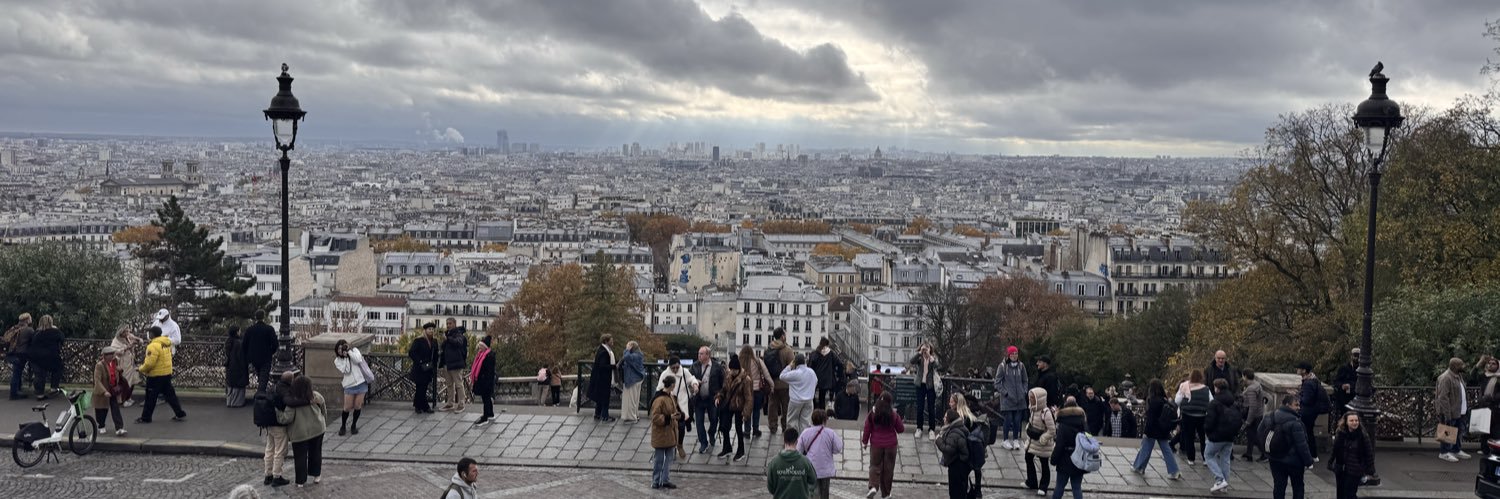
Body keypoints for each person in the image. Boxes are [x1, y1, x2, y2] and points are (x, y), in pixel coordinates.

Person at [1261, 395, 1314, 499]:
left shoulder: (1269, 416)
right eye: (1296, 405)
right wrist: (1308, 461)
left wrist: (1265, 451)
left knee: (1279, 486)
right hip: (1294, 461)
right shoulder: (1296, 422)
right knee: (1298, 486)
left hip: (1275, 459)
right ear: (1287, 405)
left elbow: (1260, 433)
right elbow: (1302, 445)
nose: (1299, 407)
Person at [279, 374, 326, 488]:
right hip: (318, 429)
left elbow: (286, 418)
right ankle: (316, 475)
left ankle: (300, 480)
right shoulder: (316, 396)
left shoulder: (293, 403)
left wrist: (277, 412)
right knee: (316, 453)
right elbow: (323, 409)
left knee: (300, 457)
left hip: (300, 433)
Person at [1131, 379, 1182, 480]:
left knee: (1145, 448)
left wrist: (1146, 432)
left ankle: (1139, 466)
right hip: (1163, 429)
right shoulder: (1164, 400)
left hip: (1153, 429)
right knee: (1166, 450)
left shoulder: (1153, 401)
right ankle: (1174, 470)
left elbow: (1151, 419)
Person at [135, 326, 186, 423]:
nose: (148, 335)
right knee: (170, 395)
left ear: (153, 334)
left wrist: (140, 369)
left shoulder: (153, 346)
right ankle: (179, 413)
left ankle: (146, 418)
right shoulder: (166, 343)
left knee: (150, 397)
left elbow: (150, 363)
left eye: (149, 333)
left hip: (155, 375)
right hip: (166, 373)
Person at [861, 392, 904, 499]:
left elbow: (867, 428)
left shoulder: (873, 413)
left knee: (875, 465)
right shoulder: (893, 414)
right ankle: (886, 493)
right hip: (891, 445)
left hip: (876, 444)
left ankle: (873, 487)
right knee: (888, 469)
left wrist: (865, 441)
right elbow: (900, 429)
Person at [1204, 378, 1243, 493]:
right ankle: (1224, 485)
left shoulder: (1214, 403)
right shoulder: (1233, 402)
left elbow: (1210, 421)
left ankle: (1220, 480)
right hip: (1230, 436)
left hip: (1217, 436)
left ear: (1217, 388)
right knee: (1225, 459)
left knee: (1208, 455)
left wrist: (1207, 431)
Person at [798, 410, 844, 499]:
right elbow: (838, 448)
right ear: (824, 420)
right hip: (826, 469)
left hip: (811, 468)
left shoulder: (805, 432)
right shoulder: (830, 433)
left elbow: (798, 450)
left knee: (813, 493)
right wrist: (830, 450)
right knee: (824, 494)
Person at [657, 355, 697, 458]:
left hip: (682, 403)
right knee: (670, 426)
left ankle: (680, 445)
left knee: (681, 426)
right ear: (669, 367)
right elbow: (659, 389)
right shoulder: (665, 374)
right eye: (673, 367)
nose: (675, 369)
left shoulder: (684, 372)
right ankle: (672, 446)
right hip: (670, 403)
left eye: (677, 367)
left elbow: (691, 379)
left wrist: (695, 384)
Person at [1328, 412, 1375, 499]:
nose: (1354, 422)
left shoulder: (1363, 436)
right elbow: (1335, 449)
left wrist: (1370, 471)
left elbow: (1369, 454)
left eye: (1356, 420)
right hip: (1341, 468)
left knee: (1350, 494)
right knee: (1341, 493)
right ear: (1346, 422)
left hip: (1355, 470)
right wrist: (1330, 462)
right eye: (1351, 420)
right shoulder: (1340, 433)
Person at [258, 372, 293, 487]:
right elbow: (290, 403)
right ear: (290, 380)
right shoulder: (286, 391)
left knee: (269, 449)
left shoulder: (274, 387)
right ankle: (277, 476)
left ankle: (268, 475)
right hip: (279, 425)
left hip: (269, 424)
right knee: (280, 451)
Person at [717, 353, 753, 461]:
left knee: (738, 429)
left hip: (739, 406)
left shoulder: (746, 379)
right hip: (728, 404)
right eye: (731, 369)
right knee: (725, 427)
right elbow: (724, 389)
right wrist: (719, 397)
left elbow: (749, 398)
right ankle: (726, 448)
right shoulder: (728, 376)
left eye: (734, 370)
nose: (732, 372)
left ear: (738, 369)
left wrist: (745, 413)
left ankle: (740, 451)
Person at [650, 375, 683, 490]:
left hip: (670, 433)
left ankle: (665, 480)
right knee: (659, 460)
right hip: (661, 434)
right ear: (672, 385)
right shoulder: (660, 399)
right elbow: (655, 417)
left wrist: (677, 416)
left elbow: (674, 411)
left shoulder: (671, 396)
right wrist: (670, 417)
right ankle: (656, 481)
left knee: (668, 460)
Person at [1050, 397, 1087, 499]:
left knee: (1060, 486)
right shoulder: (1082, 422)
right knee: (1077, 487)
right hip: (1079, 457)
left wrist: (1053, 459)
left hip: (1064, 459)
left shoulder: (1063, 424)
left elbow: (1059, 445)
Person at [1435, 357, 1471, 462]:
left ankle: (1456, 450)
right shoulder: (1446, 378)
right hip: (1450, 411)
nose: (1463, 367)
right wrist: (1447, 413)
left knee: (1459, 431)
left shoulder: (1459, 376)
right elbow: (1443, 397)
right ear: (1455, 366)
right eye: (1461, 365)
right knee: (1447, 430)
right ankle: (1444, 452)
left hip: (1460, 410)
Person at [950, 393, 986, 495]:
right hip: (975, 446)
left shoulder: (960, 417)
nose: (949, 404)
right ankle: (977, 489)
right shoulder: (969, 415)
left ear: (957, 403)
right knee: (976, 468)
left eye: (951, 402)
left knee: (965, 471)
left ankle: (966, 490)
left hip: (967, 447)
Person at [994, 345, 1029, 451]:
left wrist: (1024, 391)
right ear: (1009, 355)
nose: (1014, 356)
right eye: (1012, 354)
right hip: (1007, 398)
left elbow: (1025, 380)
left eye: (1016, 354)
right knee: (1008, 419)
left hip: (1019, 398)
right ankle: (1005, 440)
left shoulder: (1021, 366)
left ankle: (1015, 439)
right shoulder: (1003, 366)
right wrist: (1005, 393)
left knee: (1017, 420)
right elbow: (997, 382)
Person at [690, 345, 723, 453]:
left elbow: (723, 383)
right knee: (699, 422)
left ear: (708, 355)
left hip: (712, 398)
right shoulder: (694, 366)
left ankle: (711, 433)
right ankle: (703, 443)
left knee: (714, 419)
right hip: (699, 399)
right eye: (699, 353)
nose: (699, 355)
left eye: (701, 353)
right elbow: (689, 378)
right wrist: (694, 383)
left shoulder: (717, 367)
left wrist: (720, 394)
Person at [1173, 369, 1210, 465]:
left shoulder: (1184, 386)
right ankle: (1205, 458)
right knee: (1203, 438)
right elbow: (1211, 401)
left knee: (1189, 437)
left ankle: (1191, 458)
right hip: (1202, 416)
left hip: (1188, 415)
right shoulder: (1206, 388)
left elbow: (1177, 401)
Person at [1024, 387, 1057, 496]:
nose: (1031, 400)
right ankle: (1031, 481)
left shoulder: (1046, 412)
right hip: (1033, 440)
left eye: (1033, 398)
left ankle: (1043, 486)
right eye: (1030, 397)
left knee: (1044, 463)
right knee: (1028, 458)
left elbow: (1052, 430)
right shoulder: (1033, 409)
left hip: (1043, 443)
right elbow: (1031, 421)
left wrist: (1044, 438)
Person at [333, 339, 370, 435]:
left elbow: (358, 360)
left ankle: (354, 425)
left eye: (343, 347)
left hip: (361, 382)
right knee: (347, 407)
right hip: (349, 385)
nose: (341, 350)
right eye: (339, 349)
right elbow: (346, 370)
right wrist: (345, 358)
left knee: (358, 406)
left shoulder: (354, 351)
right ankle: (343, 425)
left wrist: (349, 352)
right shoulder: (337, 360)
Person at [769, 427, 818, 499]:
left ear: (784, 440)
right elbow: (813, 480)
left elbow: (770, 486)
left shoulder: (774, 462)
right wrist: (806, 492)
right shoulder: (805, 461)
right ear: (797, 441)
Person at [1296, 361, 1331, 462]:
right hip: (1312, 411)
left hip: (1308, 412)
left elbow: (1307, 399)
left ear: (1304, 371)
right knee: (1308, 432)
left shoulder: (1308, 383)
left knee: (1307, 433)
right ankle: (1313, 454)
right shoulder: (1313, 380)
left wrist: (1298, 396)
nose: (1297, 370)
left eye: (1299, 368)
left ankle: (1311, 454)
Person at [91, 346, 127, 436]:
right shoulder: (99, 365)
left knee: (115, 409)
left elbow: (117, 373)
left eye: (113, 354)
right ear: (105, 356)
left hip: (113, 389)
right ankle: (101, 425)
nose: (112, 356)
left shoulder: (115, 362)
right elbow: (97, 380)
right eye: (110, 354)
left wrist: (120, 370)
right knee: (102, 410)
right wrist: (104, 391)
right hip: (103, 390)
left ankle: (119, 428)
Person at [937, 409, 972, 499]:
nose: (943, 419)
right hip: (961, 464)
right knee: (960, 491)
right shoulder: (959, 428)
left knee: (955, 492)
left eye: (945, 417)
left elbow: (948, 449)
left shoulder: (954, 433)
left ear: (949, 419)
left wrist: (938, 440)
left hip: (957, 465)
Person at [767, 327, 796, 435]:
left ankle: (773, 426)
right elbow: (793, 366)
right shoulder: (787, 350)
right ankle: (785, 427)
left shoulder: (769, 348)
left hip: (772, 383)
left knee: (772, 406)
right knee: (786, 407)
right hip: (785, 384)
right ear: (782, 336)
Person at [910, 343, 942, 439]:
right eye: (924, 348)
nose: (925, 351)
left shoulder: (933, 359)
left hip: (930, 386)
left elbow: (937, 366)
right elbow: (912, 361)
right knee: (920, 408)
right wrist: (919, 353)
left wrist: (930, 357)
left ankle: (931, 430)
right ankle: (919, 428)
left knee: (931, 408)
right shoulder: (919, 358)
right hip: (920, 385)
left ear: (930, 349)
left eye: (927, 348)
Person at [243, 310, 279, 394]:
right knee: (264, 376)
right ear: (264, 317)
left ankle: (260, 392)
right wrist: (271, 352)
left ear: (255, 317)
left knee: (260, 375)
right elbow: (275, 344)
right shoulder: (269, 329)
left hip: (253, 358)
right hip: (265, 356)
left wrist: (248, 355)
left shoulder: (250, 330)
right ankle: (260, 394)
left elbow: (244, 344)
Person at [29, 315, 63, 400]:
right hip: (50, 357)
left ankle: (39, 394)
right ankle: (54, 388)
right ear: (51, 322)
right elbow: (62, 338)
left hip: (35, 357)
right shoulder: (55, 332)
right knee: (58, 368)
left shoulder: (36, 333)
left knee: (39, 375)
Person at [782, 352, 818, 432]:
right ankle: (804, 439)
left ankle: (793, 440)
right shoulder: (811, 372)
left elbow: (782, 376)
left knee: (792, 422)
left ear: (795, 362)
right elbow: (816, 381)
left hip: (796, 400)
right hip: (809, 400)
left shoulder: (795, 373)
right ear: (805, 361)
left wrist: (790, 366)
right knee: (805, 422)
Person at [408, 323, 440, 414]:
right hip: (419, 368)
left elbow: (435, 354)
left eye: (432, 329)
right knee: (420, 388)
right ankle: (424, 406)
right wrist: (420, 361)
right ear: (425, 330)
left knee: (423, 388)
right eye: (429, 329)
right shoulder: (419, 340)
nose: (431, 331)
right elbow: (412, 352)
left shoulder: (434, 341)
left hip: (428, 368)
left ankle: (418, 405)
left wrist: (434, 365)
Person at [743, 344, 773, 438]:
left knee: (747, 411)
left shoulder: (741, 361)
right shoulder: (757, 361)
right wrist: (772, 385)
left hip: (746, 391)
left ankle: (747, 431)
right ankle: (755, 430)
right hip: (757, 390)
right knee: (756, 411)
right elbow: (766, 374)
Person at [439, 318, 468, 413]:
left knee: (459, 384)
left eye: (450, 323)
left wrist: (447, 339)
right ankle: (450, 403)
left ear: (454, 324)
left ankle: (461, 404)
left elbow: (458, 343)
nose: (448, 325)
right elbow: (444, 347)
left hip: (456, 363)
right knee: (449, 385)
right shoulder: (447, 334)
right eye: (447, 323)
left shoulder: (458, 333)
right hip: (447, 363)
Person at [1240, 369, 1269, 461]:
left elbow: (1252, 406)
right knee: (1250, 435)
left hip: (1253, 416)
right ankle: (1249, 453)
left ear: (1245, 376)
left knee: (1255, 436)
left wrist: (1248, 421)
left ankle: (1264, 455)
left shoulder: (1251, 389)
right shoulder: (1256, 384)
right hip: (1258, 414)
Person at [109, 327, 143, 407]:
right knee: (125, 382)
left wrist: (137, 340)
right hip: (123, 364)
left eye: (128, 331)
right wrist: (127, 347)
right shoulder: (116, 341)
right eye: (125, 332)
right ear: (121, 332)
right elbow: (115, 352)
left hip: (130, 363)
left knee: (132, 381)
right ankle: (123, 400)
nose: (127, 333)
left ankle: (128, 397)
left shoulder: (128, 336)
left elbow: (139, 340)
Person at [6, 313, 35, 400]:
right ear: (27, 320)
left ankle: (17, 390)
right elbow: (34, 340)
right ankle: (14, 393)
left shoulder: (14, 328)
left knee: (16, 372)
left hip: (11, 353)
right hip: (21, 354)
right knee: (17, 373)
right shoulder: (29, 330)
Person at [590, 334, 617, 423]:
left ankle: (597, 414)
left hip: (599, 378)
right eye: (611, 340)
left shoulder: (601, 349)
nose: (612, 342)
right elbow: (603, 366)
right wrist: (613, 366)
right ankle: (605, 416)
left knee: (600, 397)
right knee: (605, 397)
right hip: (603, 378)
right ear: (606, 341)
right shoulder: (604, 352)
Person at [469, 337, 496, 426]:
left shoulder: (488, 356)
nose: (479, 347)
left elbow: (489, 371)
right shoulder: (482, 354)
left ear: (485, 347)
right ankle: (490, 414)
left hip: (486, 381)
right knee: (487, 398)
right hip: (483, 380)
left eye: (481, 346)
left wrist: (486, 381)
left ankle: (485, 417)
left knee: (486, 399)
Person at [808, 338, 841, 411]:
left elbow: (810, 365)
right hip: (826, 379)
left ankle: (815, 410)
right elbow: (839, 363)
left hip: (816, 378)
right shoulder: (831, 354)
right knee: (822, 397)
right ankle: (821, 413)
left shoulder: (815, 353)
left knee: (811, 395)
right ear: (827, 345)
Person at [620, 340, 646, 423]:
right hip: (637, 378)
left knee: (630, 400)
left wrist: (627, 349)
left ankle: (630, 417)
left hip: (632, 379)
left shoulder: (634, 356)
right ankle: (635, 414)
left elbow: (626, 357)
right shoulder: (639, 355)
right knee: (635, 399)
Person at [1332, 348, 1360, 421]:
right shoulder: (1344, 368)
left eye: (1358, 356)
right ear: (1351, 356)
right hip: (1344, 399)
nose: (1356, 358)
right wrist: (1342, 386)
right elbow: (1336, 381)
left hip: (1356, 398)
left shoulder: (1361, 370)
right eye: (1355, 356)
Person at [1478, 357, 1500, 447]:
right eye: (1489, 363)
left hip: (1496, 407)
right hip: (1484, 406)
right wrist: (1479, 363)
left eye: (1493, 363)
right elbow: (1473, 377)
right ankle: (1484, 448)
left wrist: (1492, 398)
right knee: (1484, 428)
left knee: (1495, 429)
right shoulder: (1485, 376)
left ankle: (1494, 449)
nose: (1490, 365)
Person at [225, 326, 249, 408]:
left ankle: (230, 402)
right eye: (239, 331)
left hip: (230, 366)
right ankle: (237, 403)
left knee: (231, 385)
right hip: (238, 367)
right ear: (236, 332)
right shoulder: (239, 343)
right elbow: (242, 357)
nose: (240, 332)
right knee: (238, 386)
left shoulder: (228, 341)